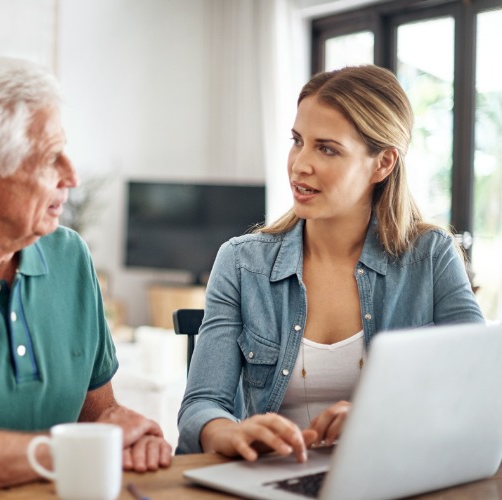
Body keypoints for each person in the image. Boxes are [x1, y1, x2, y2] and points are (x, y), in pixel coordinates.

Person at [177, 65, 485, 462]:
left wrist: (383, 419)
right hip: (275, 480)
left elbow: (479, 391)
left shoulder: (431, 257)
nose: (299, 164)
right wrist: (225, 431)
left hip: (395, 477)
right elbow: (201, 405)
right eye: (297, 141)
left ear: (383, 163)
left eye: (326, 148)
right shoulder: (241, 262)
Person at [0, 56, 171, 496]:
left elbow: (97, 414)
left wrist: (124, 431)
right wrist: (86, 449)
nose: (72, 175)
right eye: (50, 159)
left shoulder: (69, 255)